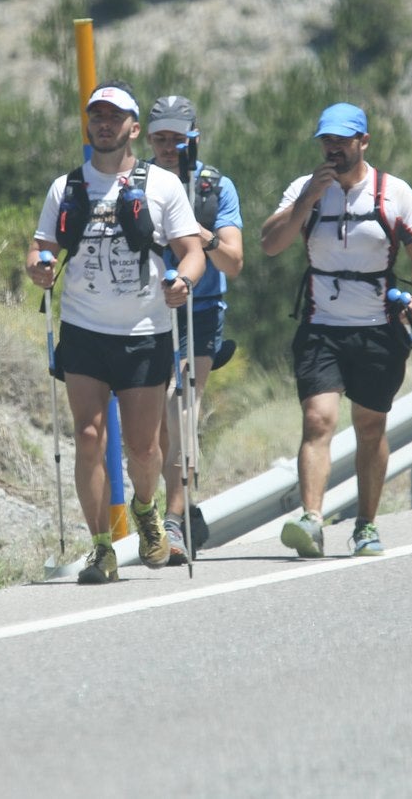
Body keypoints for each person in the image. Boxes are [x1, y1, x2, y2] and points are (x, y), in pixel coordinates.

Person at [28, 81, 206, 584]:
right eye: (96, 116)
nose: (104, 124)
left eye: (115, 116)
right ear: (89, 125)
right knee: (88, 437)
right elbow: (41, 246)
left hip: (144, 331)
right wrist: (39, 267)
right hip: (83, 329)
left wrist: (183, 281)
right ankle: (102, 546)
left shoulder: (162, 186)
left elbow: (191, 249)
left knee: (143, 448)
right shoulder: (67, 188)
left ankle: (146, 510)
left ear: (133, 128)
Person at [260, 103, 412, 558]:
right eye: (326, 141)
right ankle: (312, 520)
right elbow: (271, 244)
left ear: (364, 142)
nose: (332, 149)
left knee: (370, 426)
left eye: (341, 141)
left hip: (378, 328)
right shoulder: (305, 188)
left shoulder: (393, 192)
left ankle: (365, 525)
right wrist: (306, 201)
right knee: (318, 419)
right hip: (321, 326)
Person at [145, 94, 244, 565]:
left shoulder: (215, 187)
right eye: (159, 139)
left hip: (199, 311)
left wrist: (196, 233)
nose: (168, 147)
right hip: (146, 312)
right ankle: (182, 509)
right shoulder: (136, 183)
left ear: (193, 138)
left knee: (180, 405)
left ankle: (173, 523)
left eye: (176, 139)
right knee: (160, 425)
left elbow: (234, 260)